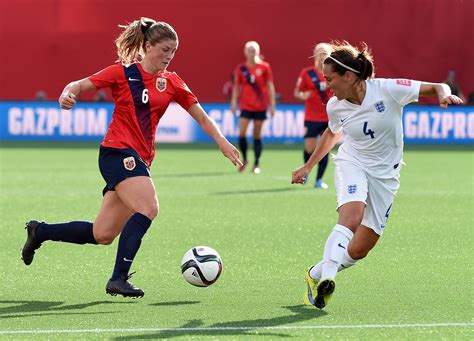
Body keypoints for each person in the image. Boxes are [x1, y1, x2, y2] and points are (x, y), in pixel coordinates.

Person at [21, 17, 242, 298]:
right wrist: (67, 94)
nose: (169, 57)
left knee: (102, 234)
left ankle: (40, 232)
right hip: (117, 152)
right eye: (164, 50)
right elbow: (78, 85)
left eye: (173, 52)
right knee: (149, 207)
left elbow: (200, 115)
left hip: (140, 159)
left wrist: (222, 141)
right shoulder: (122, 73)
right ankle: (118, 279)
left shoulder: (171, 81)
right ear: (147, 46)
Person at [291, 41, 463, 309]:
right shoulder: (335, 105)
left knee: (360, 248)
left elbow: (437, 86)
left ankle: (314, 274)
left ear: (349, 76)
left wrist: (442, 95)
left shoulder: (388, 89)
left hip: (386, 175)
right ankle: (328, 278)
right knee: (352, 216)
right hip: (353, 162)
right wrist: (308, 166)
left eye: (330, 79)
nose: (327, 86)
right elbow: (332, 133)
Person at [231, 41, 276, 174]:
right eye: (249, 50)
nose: (252, 53)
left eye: (254, 50)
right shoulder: (241, 68)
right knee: (242, 132)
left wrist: (272, 105)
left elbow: (269, 86)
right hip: (245, 106)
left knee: (257, 134)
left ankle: (256, 163)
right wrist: (234, 102)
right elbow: (237, 87)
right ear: (245, 52)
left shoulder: (264, 67)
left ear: (258, 51)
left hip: (260, 106)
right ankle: (245, 159)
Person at [293, 43, 333, 189]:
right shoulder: (307, 73)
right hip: (311, 116)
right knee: (309, 148)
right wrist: (304, 95)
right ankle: (306, 172)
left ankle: (319, 179)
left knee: (324, 149)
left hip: (329, 117)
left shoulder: (334, 72)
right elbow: (297, 92)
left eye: (325, 53)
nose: (322, 56)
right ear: (314, 55)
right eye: (319, 53)